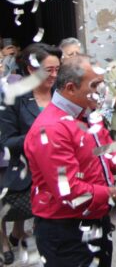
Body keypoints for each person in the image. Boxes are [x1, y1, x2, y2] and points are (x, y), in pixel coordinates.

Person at [24, 55, 116, 267]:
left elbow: (105, 151)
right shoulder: (52, 129)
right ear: (71, 88)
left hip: (96, 222)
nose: (102, 90)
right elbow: (69, 191)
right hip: (66, 231)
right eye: (95, 85)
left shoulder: (88, 114)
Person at [0, 44, 61, 264]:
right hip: (31, 177)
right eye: (49, 70)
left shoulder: (61, 93)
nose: (54, 75)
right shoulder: (14, 97)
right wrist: (39, 137)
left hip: (61, 176)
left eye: (57, 70)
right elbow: (7, 141)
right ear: (31, 69)